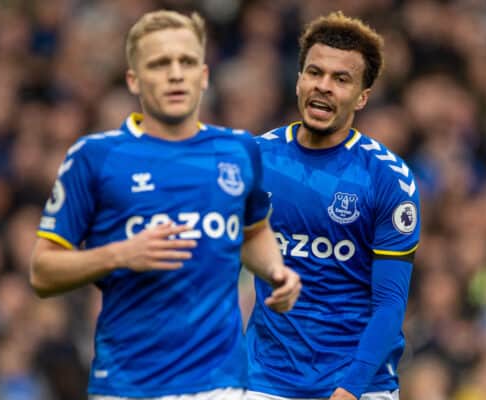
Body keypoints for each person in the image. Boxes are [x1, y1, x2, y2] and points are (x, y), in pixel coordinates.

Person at [29, 10, 301, 400]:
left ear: (204, 76)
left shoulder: (239, 150)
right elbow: (42, 271)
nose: (176, 74)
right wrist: (121, 254)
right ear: (134, 80)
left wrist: (277, 272)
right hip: (130, 383)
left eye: (187, 62)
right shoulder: (94, 158)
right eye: (159, 64)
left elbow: (254, 231)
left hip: (220, 381)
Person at [246, 12, 420, 400]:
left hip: (360, 381)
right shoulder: (256, 160)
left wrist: (351, 388)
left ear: (362, 97)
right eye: (314, 72)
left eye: (341, 79)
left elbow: (390, 303)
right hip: (267, 379)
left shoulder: (388, 179)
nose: (323, 86)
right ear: (298, 80)